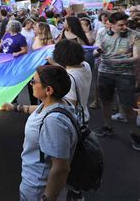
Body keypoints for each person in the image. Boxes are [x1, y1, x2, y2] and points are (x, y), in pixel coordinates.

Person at [1, 65, 78, 201]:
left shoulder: (54, 122)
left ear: (48, 90)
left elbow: (61, 168)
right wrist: (15, 107)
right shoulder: (57, 103)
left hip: (37, 188)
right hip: (34, 182)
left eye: (33, 81)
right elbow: (39, 109)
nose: (30, 84)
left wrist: (47, 197)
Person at [94, 12, 140, 150]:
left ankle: (135, 134)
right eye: (121, 25)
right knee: (105, 101)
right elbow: (95, 50)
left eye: (126, 24)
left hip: (125, 74)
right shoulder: (102, 33)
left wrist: (116, 61)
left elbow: (137, 57)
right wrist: (97, 51)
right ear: (111, 24)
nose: (125, 27)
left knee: (128, 105)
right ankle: (108, 127)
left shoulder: (135, 35)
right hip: (104, 72)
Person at [49, 40, 92, 123]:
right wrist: (55, 64)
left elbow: (69, 105)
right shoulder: (86, 65)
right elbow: (70, 70)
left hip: (73, 121)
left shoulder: (69, 79)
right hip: (84, 115)